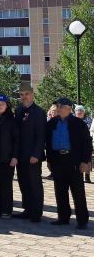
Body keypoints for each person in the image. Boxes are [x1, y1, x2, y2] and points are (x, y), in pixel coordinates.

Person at [46, 98, 91, 229]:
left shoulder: (78, 123)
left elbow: (87, 143)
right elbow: (48, 143)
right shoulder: (52, 123)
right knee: (60, 191)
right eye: (57, 106)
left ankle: (82, 220)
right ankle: (63, 217)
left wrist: (85, 161)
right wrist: (49, 160)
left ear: (68, 108)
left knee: (78, 192)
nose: (57, 108)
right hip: (57, 160)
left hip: (74, 161)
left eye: (60, 106)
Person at [13, 88, 46, 223]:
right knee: (23, 182)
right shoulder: (19, 110)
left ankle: (36, 212)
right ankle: (27, 209)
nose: (24, 97)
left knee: (35, 184)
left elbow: (41, 135)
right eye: (21, 95)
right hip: (20, 155)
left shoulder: (39, 112)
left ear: (32, 95)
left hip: (33, 155)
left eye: (26, 94)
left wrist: (36, 154)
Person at [0, 94, 19, 218]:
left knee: (6, 185)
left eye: (2, 104)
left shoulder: (12, 120)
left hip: (8, 158)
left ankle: (7, 209)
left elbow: (17, 140)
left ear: (7, 105)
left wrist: (15, 156)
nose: (0, 106)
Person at [74, 105, 92, 183]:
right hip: (76, 143)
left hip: (86, 141)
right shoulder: (72, 120)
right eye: (78, 110)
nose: (79, 112)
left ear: (83, 112)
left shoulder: (88, 120)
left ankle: (87, 176)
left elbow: (90, 129)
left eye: (81, 110)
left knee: (88, 159)